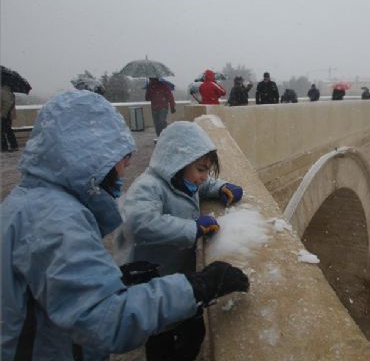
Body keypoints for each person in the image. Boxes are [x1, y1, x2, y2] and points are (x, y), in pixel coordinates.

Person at [0, 91, 249, 361]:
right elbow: (106, 320)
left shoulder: (34, 204)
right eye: (120, 155)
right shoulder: (55, 223)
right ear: (88, 155)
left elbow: (63, 293)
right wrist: (197, 287)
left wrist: (219, 186)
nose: (127, 165)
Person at [113, 121, 244, 359]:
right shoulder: (149, 186)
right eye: (201, 170)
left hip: (177, 274)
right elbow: (139, 223)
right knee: (163, 337)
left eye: (207, 171)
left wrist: (221, 187)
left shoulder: (182, 181)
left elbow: (200, 188)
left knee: (191, 329)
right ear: (177, 163)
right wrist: (192, 228)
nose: (204, 177)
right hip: (153, 276)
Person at [0, 85, 18, 152]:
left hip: (5, 115)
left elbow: (7, 104)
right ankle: (14, 146)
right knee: (8, 131)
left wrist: (3, 114)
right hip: (9, 115)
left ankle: (4, 147)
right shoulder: (10, 92)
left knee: (3, 131)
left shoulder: (3, 92)